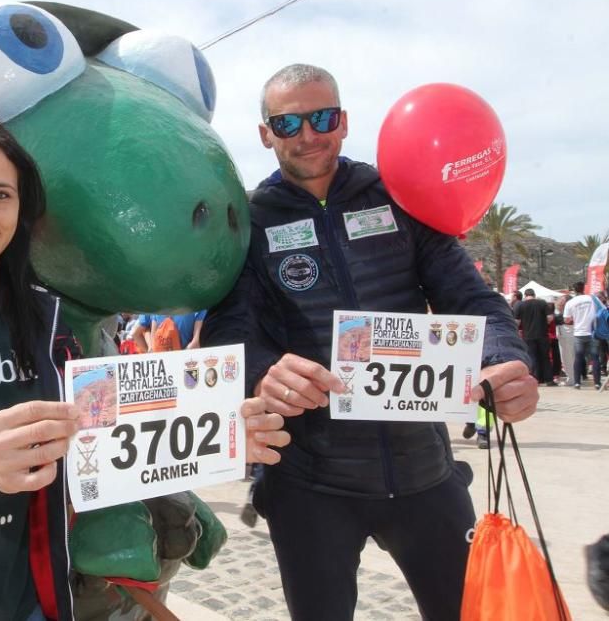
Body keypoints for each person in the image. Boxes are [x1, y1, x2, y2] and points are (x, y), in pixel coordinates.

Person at [0, 116, 292, 620]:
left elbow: (109, 435)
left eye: (1, 195)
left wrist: (214, 429)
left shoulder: (50, 323)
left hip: (35, 597)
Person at [203, 64, 538, 620]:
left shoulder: (401, 195)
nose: (308, 134)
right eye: (287, 123)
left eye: (323, 118)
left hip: (425, 473)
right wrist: (263, 372)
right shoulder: (249, 222)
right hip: (311, 482)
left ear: (344, 122)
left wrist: (505, 361)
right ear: (265, 133)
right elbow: (229, 333)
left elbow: (475, 303)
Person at [564, 281, 602, 390]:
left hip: (578, 333)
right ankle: (597, 383)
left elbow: (567, 320)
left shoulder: (570, 302)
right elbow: (603, 310)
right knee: (595, 358)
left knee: (578, 357)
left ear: (574, 290)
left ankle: (577, 383)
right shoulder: (592, 299)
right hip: (593, 332)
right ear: (583, 289)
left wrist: (575, 319)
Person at [516, 288, 553, 385]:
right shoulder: (542, 303)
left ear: (525, 295)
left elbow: (517, 322)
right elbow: (550, 317)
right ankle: (549, 379)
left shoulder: (521, 305)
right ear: (534, 294)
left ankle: (535, 379)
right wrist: (545, 323)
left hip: (528, 335)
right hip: (542, 334)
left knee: (532, 357)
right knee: (545, 357)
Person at [131, 311, 206, 352]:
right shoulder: (197, 306)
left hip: (166, 362)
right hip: (184, 360)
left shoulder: (156, 308)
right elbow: (196, 343)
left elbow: (196, 342)